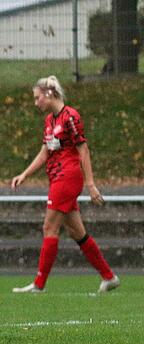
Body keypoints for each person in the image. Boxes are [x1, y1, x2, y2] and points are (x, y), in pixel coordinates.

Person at [11, 76, 119, 293]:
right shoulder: (50, 120)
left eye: (37, 97)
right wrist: (25, 174)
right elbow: (45, 152)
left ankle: (39, 285)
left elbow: (83, 150)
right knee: (76, 231)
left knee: (49, 227)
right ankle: (109, 277)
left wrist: (90, 184)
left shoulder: (71, 116)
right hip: (57, 178)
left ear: (49, 94)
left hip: (67, 178)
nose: (36, 102)